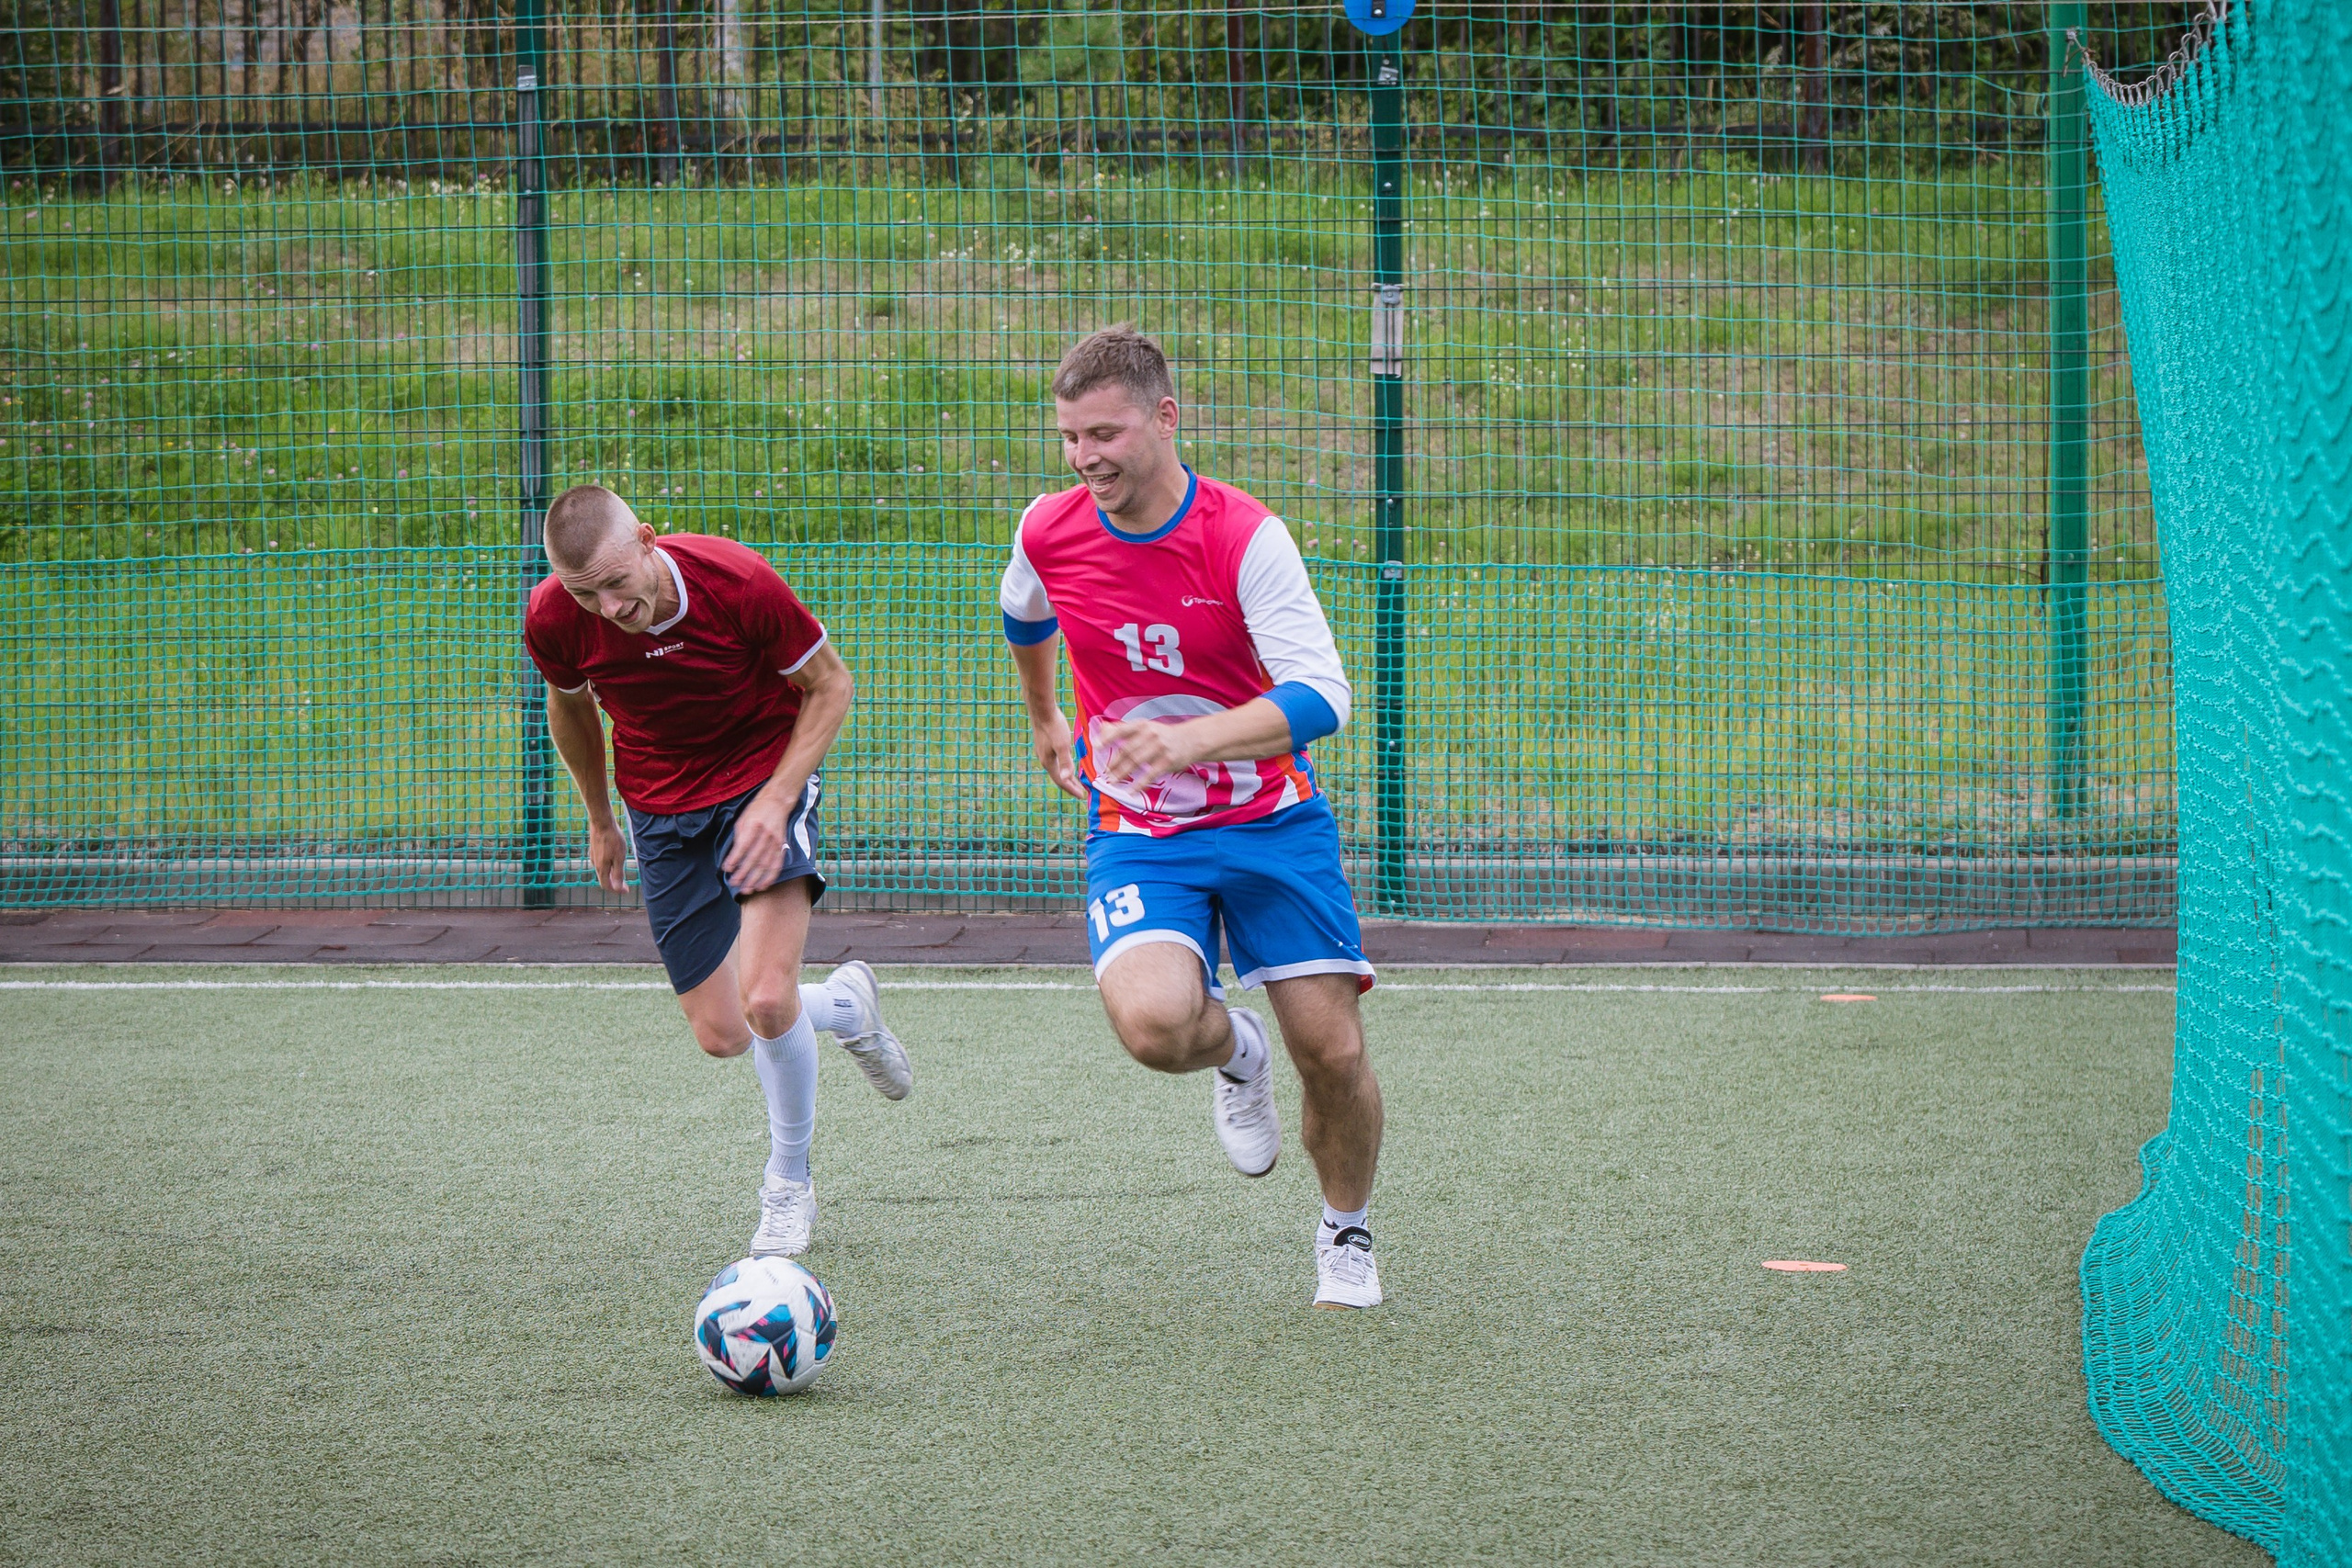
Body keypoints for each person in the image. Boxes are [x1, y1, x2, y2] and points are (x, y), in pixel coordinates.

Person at [998, 325, 1386, 1309]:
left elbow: (1323, 696)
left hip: (1270, 821)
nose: (1086, 458)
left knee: (1333, 1054)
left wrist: (1191, 741)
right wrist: (1046, 713)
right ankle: (1235, 1052)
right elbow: (1025, 608)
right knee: (1155, 1026)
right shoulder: (1049, 527)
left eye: (1106, 434)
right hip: (1139, 835)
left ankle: (1344, 1228)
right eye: (1070, 437)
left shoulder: (1243, 535)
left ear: (1165, 419)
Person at [523, 484, 911, 1260]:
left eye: (616, 581)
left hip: (761, 778)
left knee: (767, 999)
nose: (606, 606)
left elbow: (831, 686)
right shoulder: (555, 616)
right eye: (583, 591)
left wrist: (777, 799)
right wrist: (600, 817)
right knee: (724, 1032)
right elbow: (567, 706)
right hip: (659, 808)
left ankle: (788, 1184)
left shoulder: (738, 583)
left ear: (648, 541)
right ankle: (843, 1006)